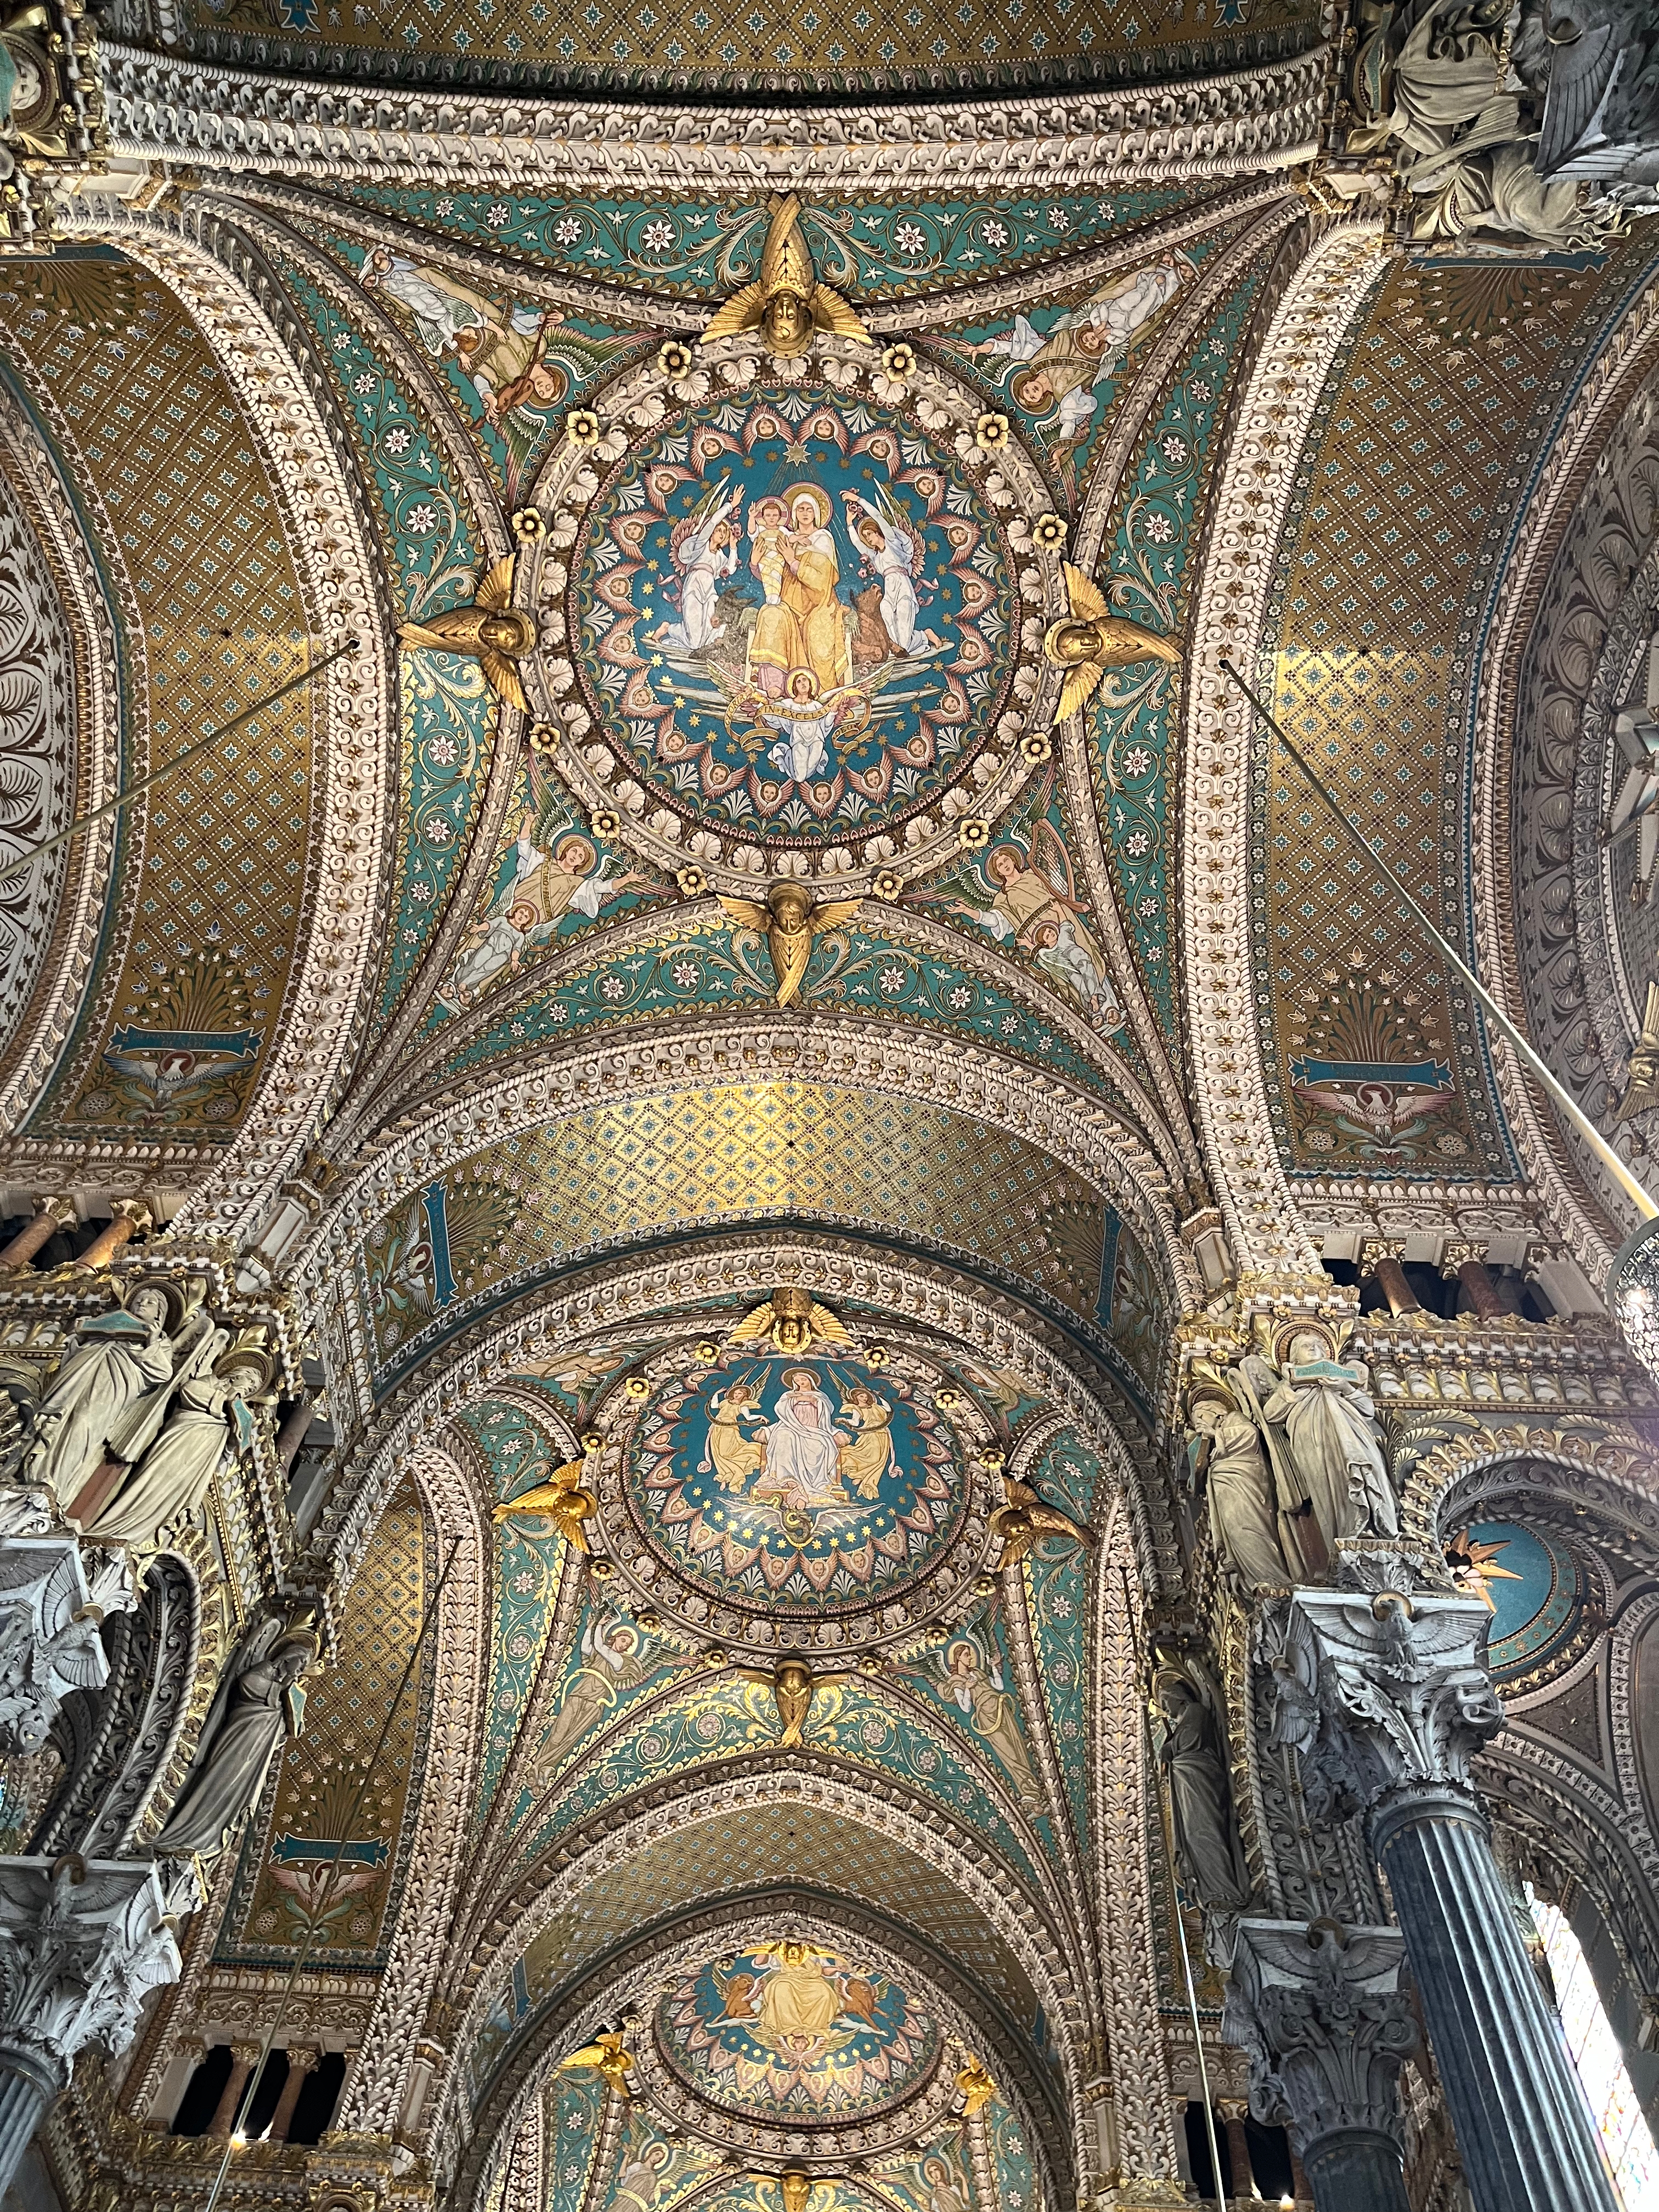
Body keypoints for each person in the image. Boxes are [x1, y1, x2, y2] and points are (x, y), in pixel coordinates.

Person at [754, 1369, 843, 1509]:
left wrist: (815, 1402)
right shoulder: (789, 1395)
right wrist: (797, 1399)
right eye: (797, 1381)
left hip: (814, 1430)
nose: (801, 1383)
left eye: (803, 1380)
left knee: (822, 1445)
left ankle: (811, 1486)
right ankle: (790, 1480)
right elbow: (780, 1408)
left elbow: (827, 1411)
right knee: (783, 1436)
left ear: (810, 1380)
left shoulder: (820, 1396)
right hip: (790, 1427)